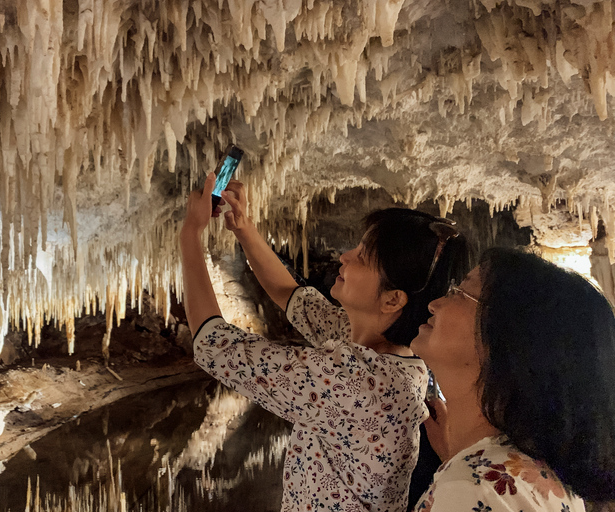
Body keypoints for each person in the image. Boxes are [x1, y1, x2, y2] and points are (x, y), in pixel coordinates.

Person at [179, 172, 469, 512]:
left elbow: (213, 344)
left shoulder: (356, 381)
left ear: (393, 300)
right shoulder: (386, 352)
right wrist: (243, 228)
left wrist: (189, 233)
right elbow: (292, 296)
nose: (346, 256)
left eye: (363, 256)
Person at [411, 247, 615, 511]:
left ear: (507, 340)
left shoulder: (475, 489)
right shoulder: (519, 474)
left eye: (459, 293)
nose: (435, 303)